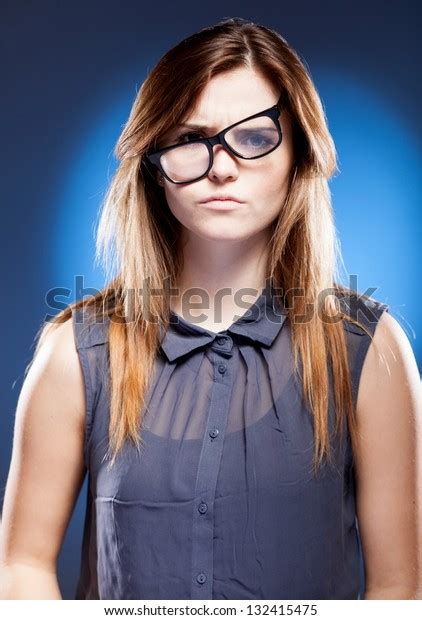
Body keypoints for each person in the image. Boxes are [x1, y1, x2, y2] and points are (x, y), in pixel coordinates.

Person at [0, 17, 420, 601]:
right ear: (155, 163)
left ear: (298, 151)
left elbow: (401, 592)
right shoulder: (76, 352)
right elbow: (22, 567)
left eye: (253, 136)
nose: (221, 166)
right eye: (190, 138)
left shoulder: (371, 351)